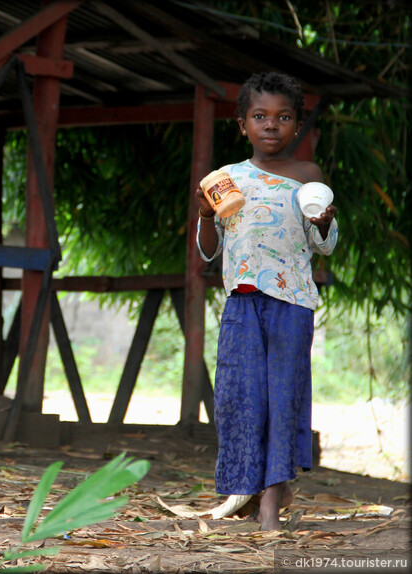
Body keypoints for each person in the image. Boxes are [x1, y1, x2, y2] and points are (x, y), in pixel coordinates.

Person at [195, 72, 338, 531]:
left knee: (283, 400)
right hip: (242, 303)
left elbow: (325, 245)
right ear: (242, 125)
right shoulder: (226, 179)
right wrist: (203, 215)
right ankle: (248, 490)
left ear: (297, 126)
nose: (271, 125)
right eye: (260, 117)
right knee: (240, 399)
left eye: (283, 117)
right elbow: (209, 249)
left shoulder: (308, 176)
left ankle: (273, 502)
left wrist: (322, 222)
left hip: (291, 303)